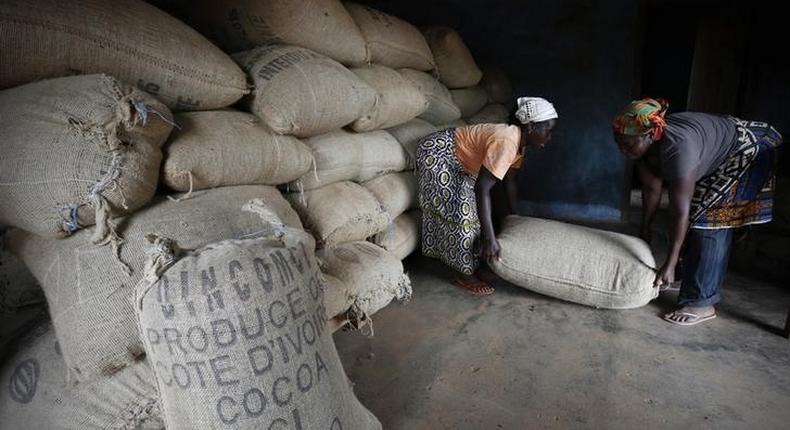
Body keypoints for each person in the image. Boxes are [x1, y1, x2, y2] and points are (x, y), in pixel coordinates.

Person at [612, 98, 783, 325]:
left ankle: (701, 303)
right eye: (619, 144)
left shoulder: (678, 147)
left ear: (651, 135)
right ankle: (679, 276)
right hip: (718, 150)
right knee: (696, 212)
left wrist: (670, 261)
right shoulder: (643, 147)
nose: (624, 151)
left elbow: (679, 212)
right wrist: (645, 230)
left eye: (629, 145)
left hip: (751, 148)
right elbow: (651, 189)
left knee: (708, 221)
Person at [415, 97, 558, 295]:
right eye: (547, 130)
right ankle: (464, 275)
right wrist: (490, 238)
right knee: (463, 212)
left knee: (476, 213)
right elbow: (482, 189)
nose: (549, 137)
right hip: (437, 153)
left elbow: (509, 182)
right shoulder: (507, 141)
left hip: (458, 161)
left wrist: (515, 219)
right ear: (531, 126)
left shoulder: (519, 145)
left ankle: (475, 265)